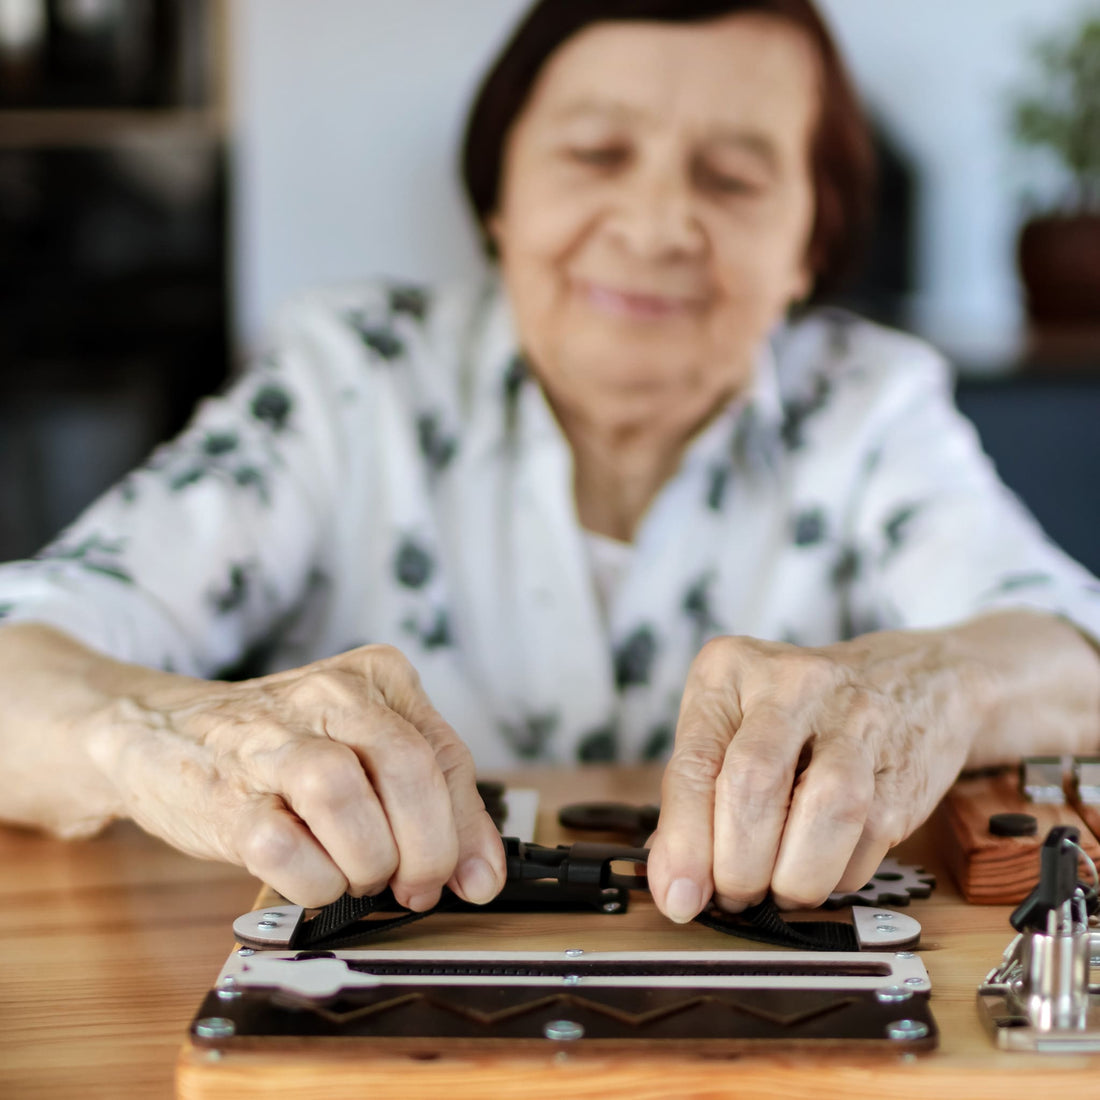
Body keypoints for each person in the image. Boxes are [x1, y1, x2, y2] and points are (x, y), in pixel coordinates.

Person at [0, 0, 1097, 928]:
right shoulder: (351, 382)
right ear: (498, 198)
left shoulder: (868, 403)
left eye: (728, 176)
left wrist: (929, 683)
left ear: (808, 245)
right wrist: (160, 733)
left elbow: (1073, 651)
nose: (657, 221)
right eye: (595, 154)